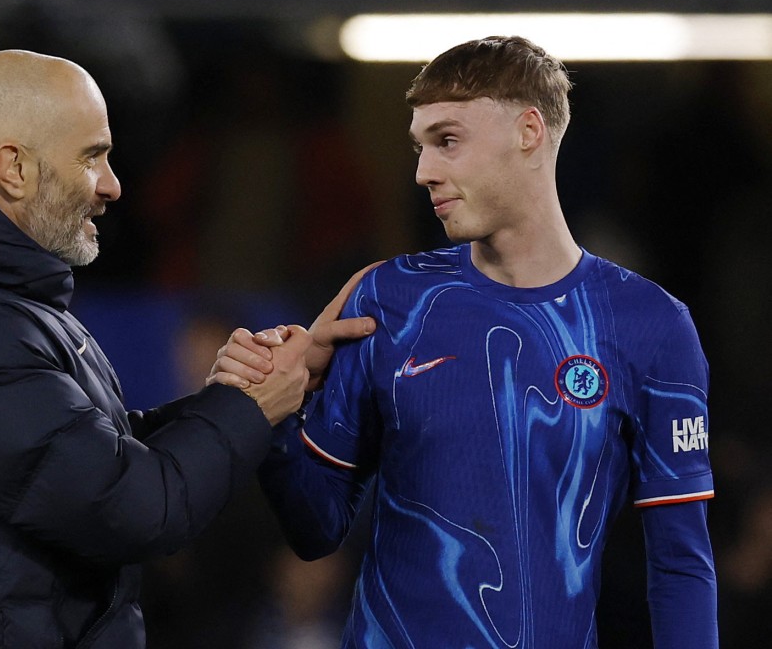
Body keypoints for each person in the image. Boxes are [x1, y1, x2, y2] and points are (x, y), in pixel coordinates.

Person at [0, 49, 373, 649]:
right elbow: (134, 508)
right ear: (13, 168)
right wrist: (248, 406)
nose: (112, 185)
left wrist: (239, 391)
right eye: (91, 156)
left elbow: (95, 458)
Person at [212, 36, 717, 648]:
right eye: (420, 146)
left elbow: (681, 564)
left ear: (529, 131)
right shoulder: (387, 299)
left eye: (447, 140)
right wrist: (274, 411)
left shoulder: (650, 324)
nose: (423, 171)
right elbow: (316, 530)